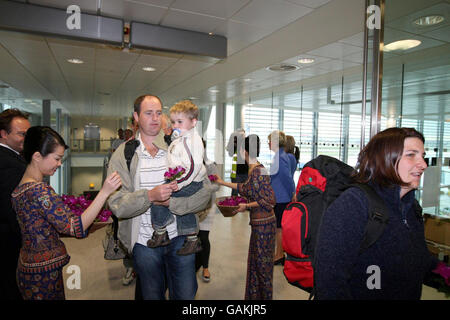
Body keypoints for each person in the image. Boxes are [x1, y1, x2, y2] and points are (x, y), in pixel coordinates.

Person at [314, 127, 445, 300]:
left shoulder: (411, 207)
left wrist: (445, 272)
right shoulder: (354, 204)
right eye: (411, 155)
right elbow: (330, 281)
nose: (423, 164)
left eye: (422, 155)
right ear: (386, 158)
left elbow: (417, 260)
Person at [106, 94, 213, 300]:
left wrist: (172, 203)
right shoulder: (123, 154)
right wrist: (149, 196)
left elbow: (205, 193)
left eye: (158, 113)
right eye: (148, 113)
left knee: (185, 295)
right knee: (152, 295)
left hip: (181, 238)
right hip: (144, 242)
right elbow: (116, 203)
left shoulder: (178, 145)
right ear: (136, 117)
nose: (155, 118)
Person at [11, 126, 122, 300]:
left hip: (27, 267)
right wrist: (105, 192)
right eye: (56, 158)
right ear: (37, 156)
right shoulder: (40, 191)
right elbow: (75, 227)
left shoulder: (21, 187)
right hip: (43, 276)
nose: (59, 164)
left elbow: (45, 227)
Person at [214, 134, 276, 300]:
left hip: (264, 226)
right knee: (256, 263)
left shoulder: (257, 171)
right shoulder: (255, 169)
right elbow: (243, 188)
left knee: (262, 268)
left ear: (243, 151)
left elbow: (270, 200)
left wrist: (246, 206)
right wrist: (222, 182)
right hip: (259, 224)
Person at [147, 100, 206, 255]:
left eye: (180, 121)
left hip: (189, 181)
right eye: (173, 122)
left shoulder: (192, 140)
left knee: (160, 198)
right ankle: (191, 238)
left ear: (193, 122)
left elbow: (193, 167)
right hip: (181, 178)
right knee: (178, 205)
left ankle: (161, 232)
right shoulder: (183, 136)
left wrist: (178, 183)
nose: (175, 125)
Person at [0, 108, 30, 300]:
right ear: (3, 134)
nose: (25, 138)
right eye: (21, 134)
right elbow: (11, 207)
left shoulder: (15, 156)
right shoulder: (6, 162)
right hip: (6, 239)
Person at [268, 130, 295, 265]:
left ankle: (279, 255)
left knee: (279, 228)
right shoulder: (279, 156)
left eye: (269, 141)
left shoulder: (280, 157)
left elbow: (287, 178)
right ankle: (279, 253)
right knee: (278, 228)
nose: (268, 143)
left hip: (282, 198)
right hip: (279, 197)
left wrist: (292, 193)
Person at [195, 139, 220, 283]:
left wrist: (204, 189)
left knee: (203, 237)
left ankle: (205, 267)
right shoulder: (188, 164)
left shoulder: (210, 165)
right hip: (192, 207)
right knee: (192, 238)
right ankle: (193, 267)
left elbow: (216, 184)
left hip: (208, 206)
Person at [226, 129, 248, 196]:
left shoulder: (247, 144)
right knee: (235, 192)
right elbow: (230, 153)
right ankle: (234, 205)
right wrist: (233, 141)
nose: (242, 136)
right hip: (236, 174)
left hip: (246, 172)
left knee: (245, 192)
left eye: (243, 135)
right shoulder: (235, 143)